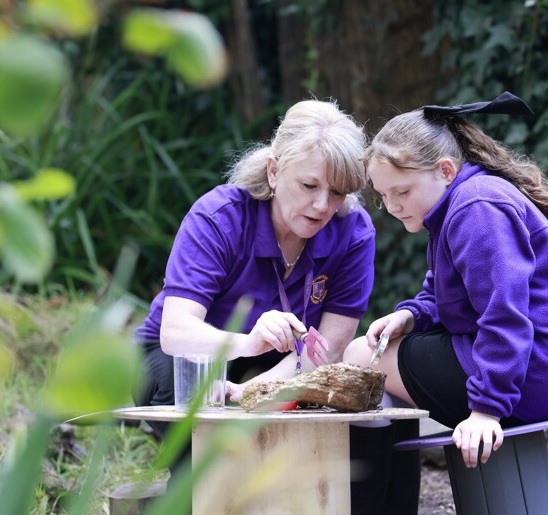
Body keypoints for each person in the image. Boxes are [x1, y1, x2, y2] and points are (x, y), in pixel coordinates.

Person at [342, 92, 548, 515]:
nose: (393, 205)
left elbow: (505, 316)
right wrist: (411, 314)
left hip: (545, 370)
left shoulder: (475, 208)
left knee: (362, 360)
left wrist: (487, 409)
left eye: (402, 191)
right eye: (383, 196)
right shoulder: (461, 202)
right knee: (373, 354)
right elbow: (449, 294)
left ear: (445, 170)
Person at [133, 99, 375, 441]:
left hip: (281, 367)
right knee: (196, 393)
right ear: (273, 171)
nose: (323, 206)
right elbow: (175, 333)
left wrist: (253, 390)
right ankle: (195, 476)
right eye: (309, 186)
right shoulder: (219, 217)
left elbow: (329, 350)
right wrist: (248, 343)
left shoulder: (353, 231)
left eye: (337, 192)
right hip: (183, 358)